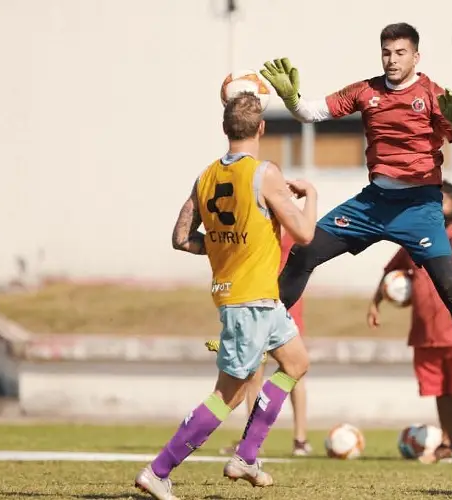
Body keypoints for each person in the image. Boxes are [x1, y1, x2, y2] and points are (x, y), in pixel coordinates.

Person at [260, 22, 452, 410]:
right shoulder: (366, 91)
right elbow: (310, 113)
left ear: (416, 57)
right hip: (373, 204)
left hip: (420, 208)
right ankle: (255, 331)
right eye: (387, 53)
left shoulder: (433, 95)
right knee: (304, 251)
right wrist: (290, 99)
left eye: (400, 53)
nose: (392, 60)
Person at [134, 92, 318, 500]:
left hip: (258, 299)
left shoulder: (205, 177)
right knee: (228, 396)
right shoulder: (264, 173)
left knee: (296, 361)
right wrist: (312, 196)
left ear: (224, 129)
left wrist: (220, 248)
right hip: (249, 301)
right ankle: (158, 470)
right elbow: (304, 234)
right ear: (262, 128)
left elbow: (181, 238)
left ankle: (247, 455)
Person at [367, 180, 452, 462]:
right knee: (441, 391)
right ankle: (449, 442)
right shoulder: (416, 235)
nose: (439, 205)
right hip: (427, 330)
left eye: (444, 200)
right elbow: (392, 271)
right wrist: (376, 302)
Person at [208, 228, 312, 457]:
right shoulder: (259, 216)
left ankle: (300, 438)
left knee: (295, 368)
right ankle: (254, 439)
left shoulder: (292, 222)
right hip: (255, 298)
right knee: (255, 372)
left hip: (285, 300)